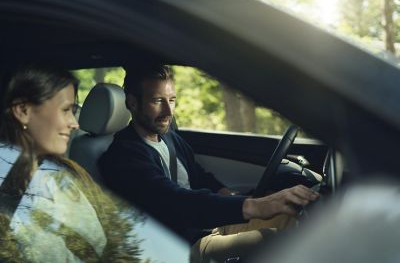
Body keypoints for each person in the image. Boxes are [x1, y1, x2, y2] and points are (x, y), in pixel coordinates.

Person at [98, 65, 319, 263]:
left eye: (172, 100)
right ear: (132, 103)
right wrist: (256, 205)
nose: (168, 112)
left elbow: (200, 176)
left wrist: (231, 196)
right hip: (182, 243)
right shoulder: (123, 157)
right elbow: (174, 201)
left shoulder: (169, 138)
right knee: (279, 241)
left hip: (208, 223)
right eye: (157, 101)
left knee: (294, 218)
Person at [0, 65, 139, 262]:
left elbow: (121, 236)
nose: (74, 123)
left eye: (73, 111)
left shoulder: (73, 172)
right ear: (23, 111)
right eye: (66, 110)